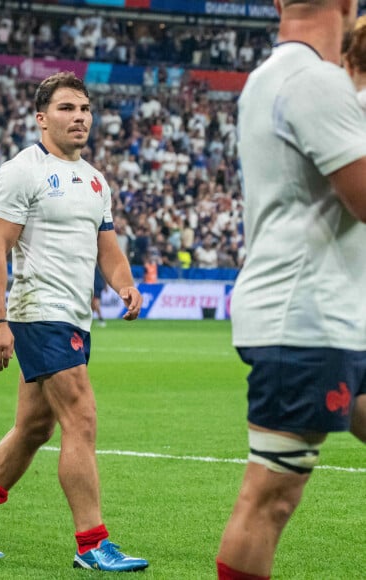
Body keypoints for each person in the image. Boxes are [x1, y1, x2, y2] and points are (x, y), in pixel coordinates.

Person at [0, 72, 148, 572]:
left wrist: (124, 282)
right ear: (42, 118)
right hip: (39, 312)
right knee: (81, 419)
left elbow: (108, 247)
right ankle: (92, 543)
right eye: (66, 108)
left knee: (33, 428)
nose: (79, 117)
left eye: (84, 108)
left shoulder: (96, 179)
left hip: (74, 316)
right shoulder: (22, 172)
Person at [216, 2, 366, 579]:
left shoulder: (276, 75)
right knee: (271, 497)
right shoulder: (315, 81)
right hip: (306, 319)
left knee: (271, 497)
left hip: (335, 312)